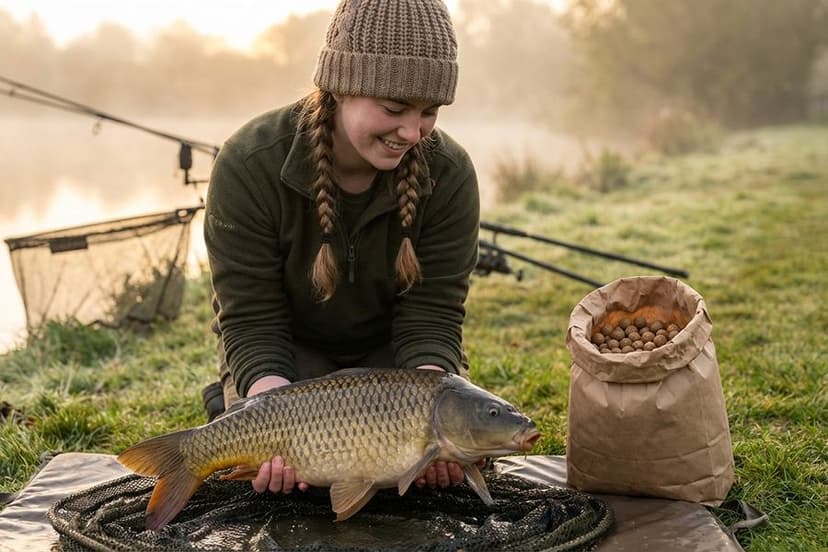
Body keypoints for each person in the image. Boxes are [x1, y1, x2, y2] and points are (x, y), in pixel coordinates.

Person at [202, 0, 480, 497]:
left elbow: (433, 317)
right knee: (296, 480)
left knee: (446, 465)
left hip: (396, 363)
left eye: (429, 112)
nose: (412, 133)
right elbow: (251, 318)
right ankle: (237, 405)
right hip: (289, 355)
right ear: (338, 87)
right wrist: (267, 401)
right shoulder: (247, 162)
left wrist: (435, 429)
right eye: (394, 109)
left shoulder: (451, 173)